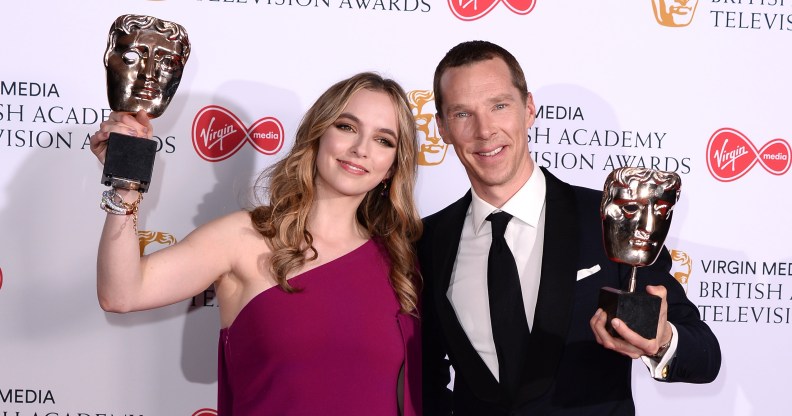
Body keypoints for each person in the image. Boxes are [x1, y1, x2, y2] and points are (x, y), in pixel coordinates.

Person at [90, 72, 422, 416]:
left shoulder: (400, 263)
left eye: (384, 140)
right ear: (318, 133)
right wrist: (126, 181)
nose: (361, 149)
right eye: (347, 127)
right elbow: (122, 293)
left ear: (391, 168)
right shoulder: (243, 238)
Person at [418, 40, 720, 415]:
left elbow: (705, 354)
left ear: (528, 109)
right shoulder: (427, 241)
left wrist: (660, 343)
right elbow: (425, 377)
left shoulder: (611, 218)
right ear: (442, 127)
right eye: (463, 114)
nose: (485, 130)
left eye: (499, 106)